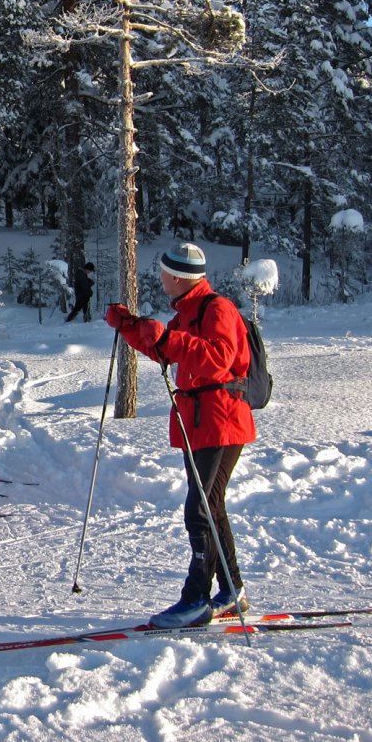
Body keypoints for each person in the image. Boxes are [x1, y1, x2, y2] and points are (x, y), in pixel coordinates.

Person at [104, 242, 256, 628]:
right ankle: (232, 588)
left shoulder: (216, 309)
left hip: (220, 419)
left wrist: (163, 337)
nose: (160, 277)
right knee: (211, 504)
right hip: (201, 420)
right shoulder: (189, 310)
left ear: (178, 277)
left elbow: (218, 358)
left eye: (164, 272)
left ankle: (196, 600)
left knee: (200, 508)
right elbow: (166, 349)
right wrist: (130, 326)